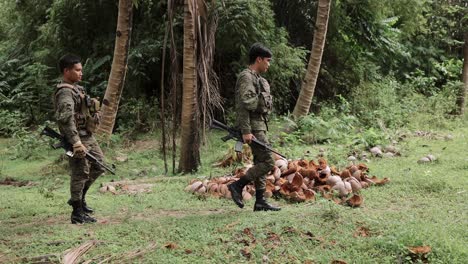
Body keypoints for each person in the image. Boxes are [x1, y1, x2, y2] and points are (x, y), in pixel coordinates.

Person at [228, 43, 281, 212]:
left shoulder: (258, 79)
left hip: (260, 125)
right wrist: (246, 131)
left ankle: (260, 201)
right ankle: (238, 185)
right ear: (258, 59)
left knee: (260, 161)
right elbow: (244, 105)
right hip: (253, 127)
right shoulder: (246, 77)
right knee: (268, 161)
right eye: (267, 60)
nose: (269, 64)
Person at [54, 54, 105, 224]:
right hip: (76, 138)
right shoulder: (65, 92)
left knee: (99, 165)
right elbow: (66, 119)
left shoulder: (78, 89)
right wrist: (75, 143)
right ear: (66, 71)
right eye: (77, 70)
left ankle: (79, 198)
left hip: (87, 136)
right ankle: (77, 212)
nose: (80, 73)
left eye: (81, 69)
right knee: (80, 172)